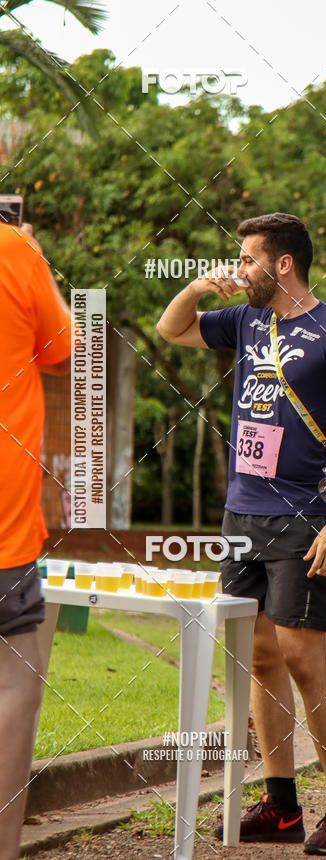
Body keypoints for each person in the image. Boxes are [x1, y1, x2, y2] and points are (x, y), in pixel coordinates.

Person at [157, 212, 326, 855]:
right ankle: (280, 804)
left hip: (307, 515)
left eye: (248, 258)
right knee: (256, 657)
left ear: (283, 264)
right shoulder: (247, 319)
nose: (241, 268)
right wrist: (202, 287)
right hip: (242, 512)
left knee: (303, 658)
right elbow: (170, 330)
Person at [0, 221, 71, 860]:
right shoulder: (13, 249)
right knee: (11, 688)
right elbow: (61, 345)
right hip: (7, 531)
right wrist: (35, 255)